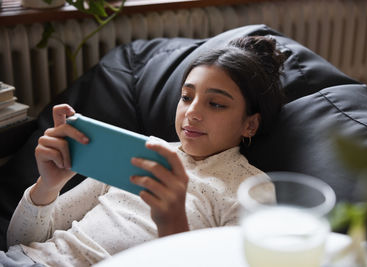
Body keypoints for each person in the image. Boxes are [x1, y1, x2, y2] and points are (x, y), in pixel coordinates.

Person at [2, 35, 286, 267]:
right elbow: (19, 243)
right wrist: (48, 187)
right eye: (186, 97)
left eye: (216, 104)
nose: (192, 113)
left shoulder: (250, 189)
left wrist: (172, 223)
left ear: (250, 124)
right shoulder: (140, 152)